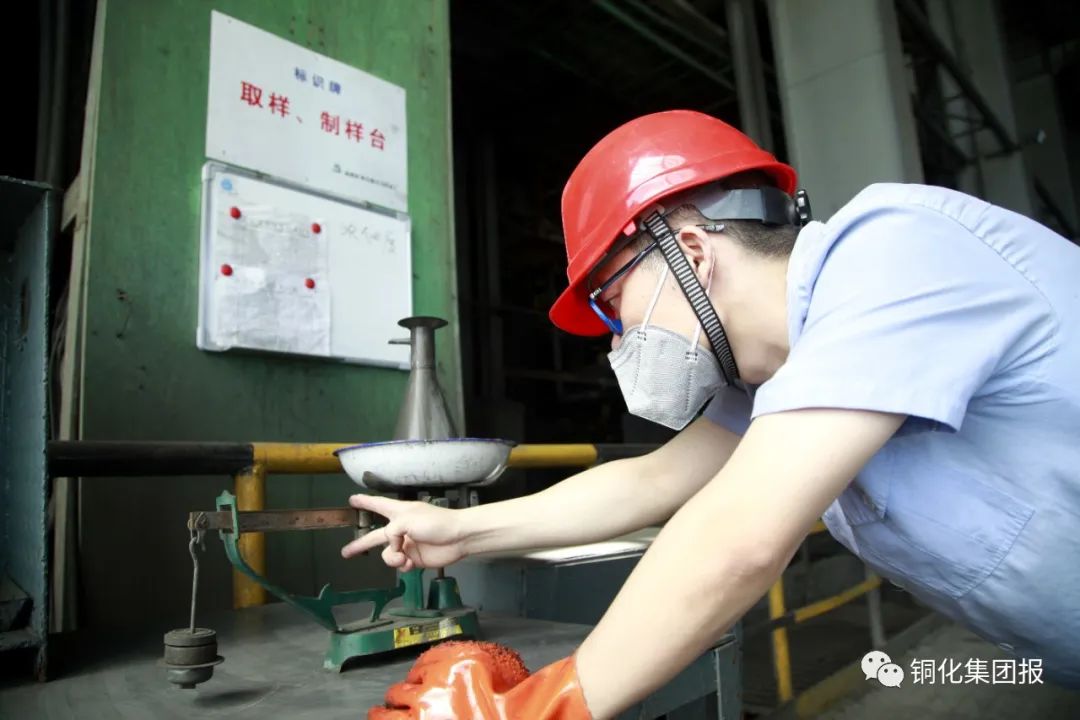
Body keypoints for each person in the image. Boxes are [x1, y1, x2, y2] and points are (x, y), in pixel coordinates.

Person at [343, 110, 1080, 718]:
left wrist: (537, 710)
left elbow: (738, 533)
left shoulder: (895, 253)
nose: (616, 342)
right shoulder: (774, 380)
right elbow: (651, 481)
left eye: (612, 306)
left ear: (691, 251)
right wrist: (461, 530)